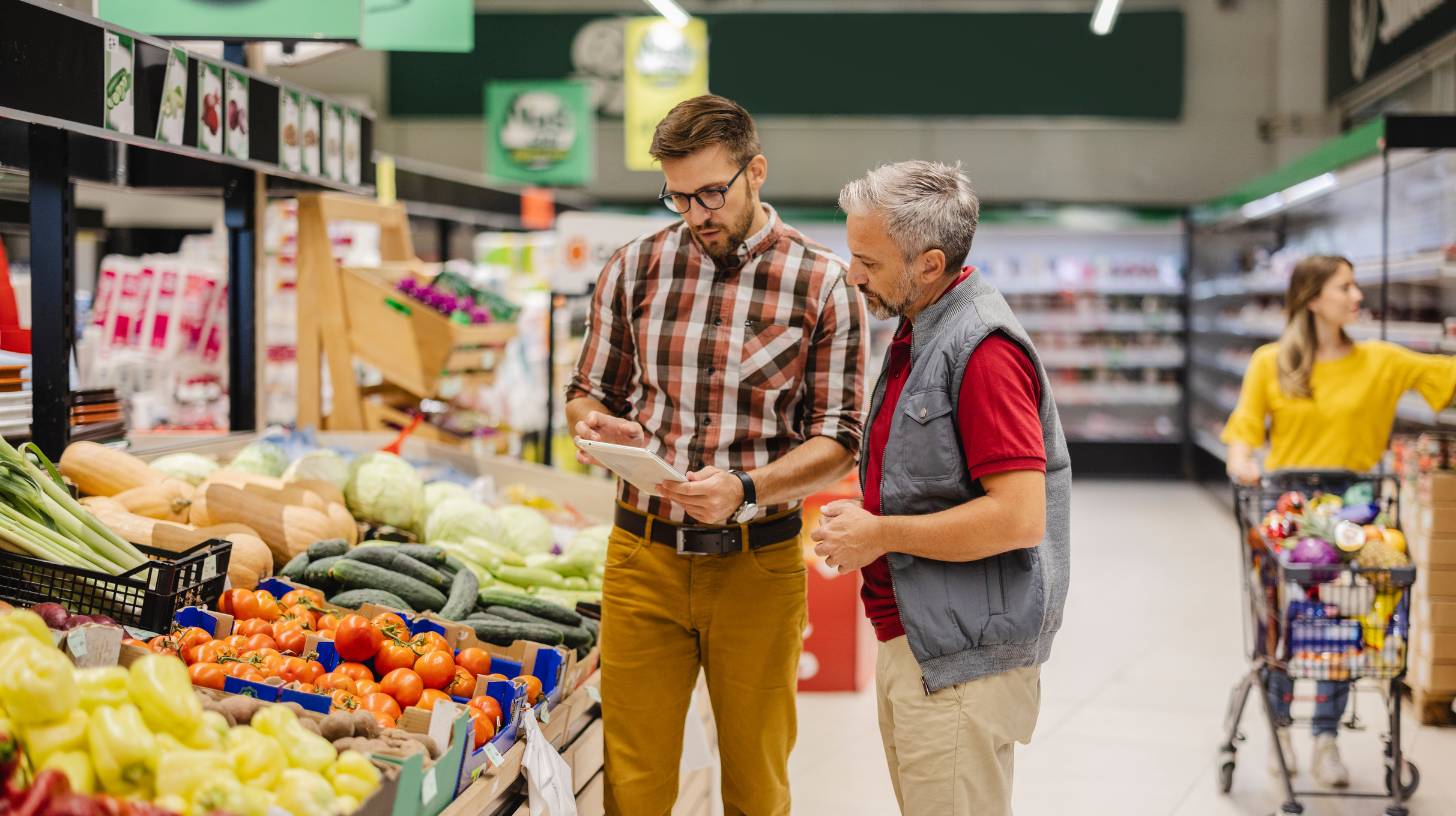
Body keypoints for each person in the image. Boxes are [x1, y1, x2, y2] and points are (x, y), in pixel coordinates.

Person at [565, 94, 868, 816]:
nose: (697, 214)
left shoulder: (821, 283)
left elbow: (839, 439)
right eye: (678, 197)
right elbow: (586, 393)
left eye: (711, 192)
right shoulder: (635, 269)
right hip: (642, 559)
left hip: (757, 565)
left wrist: (747, 487)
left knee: (756, 784)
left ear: (754, 171)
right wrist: (602, 428)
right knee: (632, 784)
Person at [812, 160, 1071, 816]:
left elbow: (1018, 518)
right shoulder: (920, 329)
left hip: (961, 663)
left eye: (867, 260)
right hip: (927, 639)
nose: (853, 275)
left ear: (929, 264)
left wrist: (881, 533)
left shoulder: (980, 352)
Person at [1223, 254, 1456, 786]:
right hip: (1287, 508)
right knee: (1283, 625)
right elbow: (1245, 429)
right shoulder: (1271, 361)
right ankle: (1281, 729)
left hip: (1355, 507)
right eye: (1345, 287)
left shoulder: (1382, 361)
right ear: (1312, 298)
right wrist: (1242, 463)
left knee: (1343, 623)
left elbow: (1448, 375)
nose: (1357, 297)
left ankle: (1325, 738)